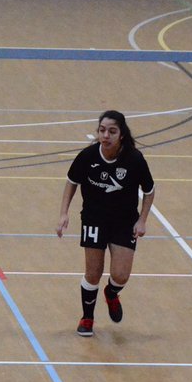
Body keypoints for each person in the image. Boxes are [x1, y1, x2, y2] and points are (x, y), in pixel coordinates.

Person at [56, 110, 155, 337]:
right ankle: (87, 317)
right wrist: (64, 214)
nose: (106, 135)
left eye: (112, 131)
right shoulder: (88, 156)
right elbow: (71, 182)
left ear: (121, 134)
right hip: (94, 218)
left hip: (124, 221)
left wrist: (142, 220)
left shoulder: (134, 159)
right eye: (102, 130)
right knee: (93, 272)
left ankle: (111, 293)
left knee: (120, 275)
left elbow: (149, 191)